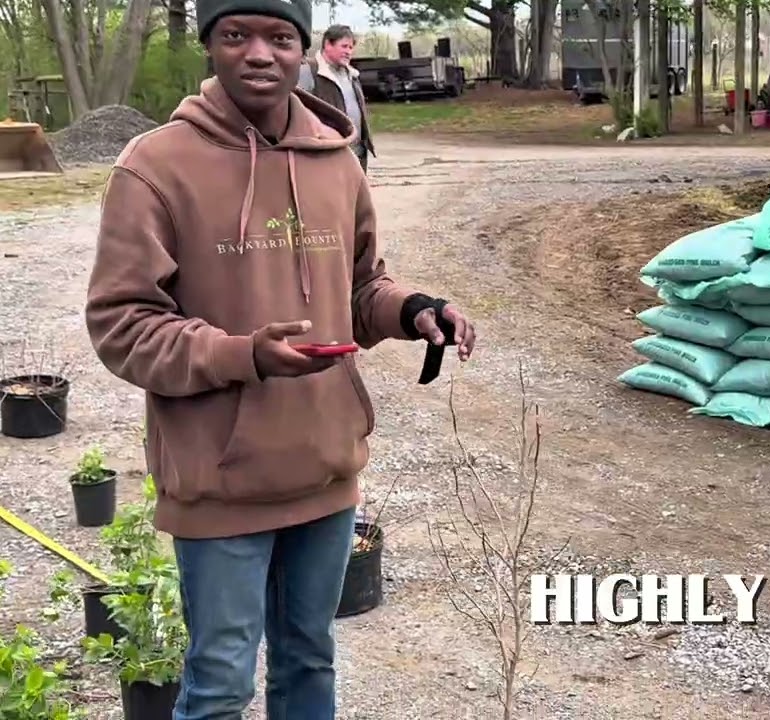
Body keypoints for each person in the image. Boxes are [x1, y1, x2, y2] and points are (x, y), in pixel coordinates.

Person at [82, 1, 476, 718]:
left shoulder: (335, 158)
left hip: (323, 466)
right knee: (220, 683)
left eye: (279, 37)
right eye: (237, 35)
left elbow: (360, 285)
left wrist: (412, 308)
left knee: (309, 659)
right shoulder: (155, 167)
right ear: (211, 47)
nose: (259, 54)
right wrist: (242, 355)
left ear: (302, 50)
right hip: (219, 477)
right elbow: (121, 324)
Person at [298, 24, 374, 172]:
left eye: (351, 48)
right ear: (327, 44)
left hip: (357, 152)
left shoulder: (352, 74)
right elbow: (296, 108)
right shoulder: (309, 71)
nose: (348, 52)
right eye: (344, 46)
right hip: (328, 154)